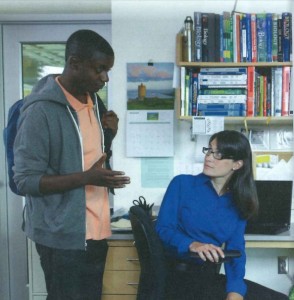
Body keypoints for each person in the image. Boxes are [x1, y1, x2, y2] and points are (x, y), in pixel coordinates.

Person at [13, 29, 131, 300]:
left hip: (97, 231)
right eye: (99, 69)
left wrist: (109, 137)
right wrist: (88, 178)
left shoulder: (94, 101)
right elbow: (26, 181)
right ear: (74, 63)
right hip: (60, 235)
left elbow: (91, 158)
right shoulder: (39, 112)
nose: (105, 77)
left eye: (107, 70)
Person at [156, 130, 288, 300]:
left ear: (237, 164)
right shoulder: (182, 184)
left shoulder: (239, 200)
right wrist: (192, 244)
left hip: (208, 277)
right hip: (178, 279)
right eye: (209, 150)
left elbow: (236, 251)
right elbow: (163, 229)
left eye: (218, 154)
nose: (209, 157)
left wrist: (236, 291)